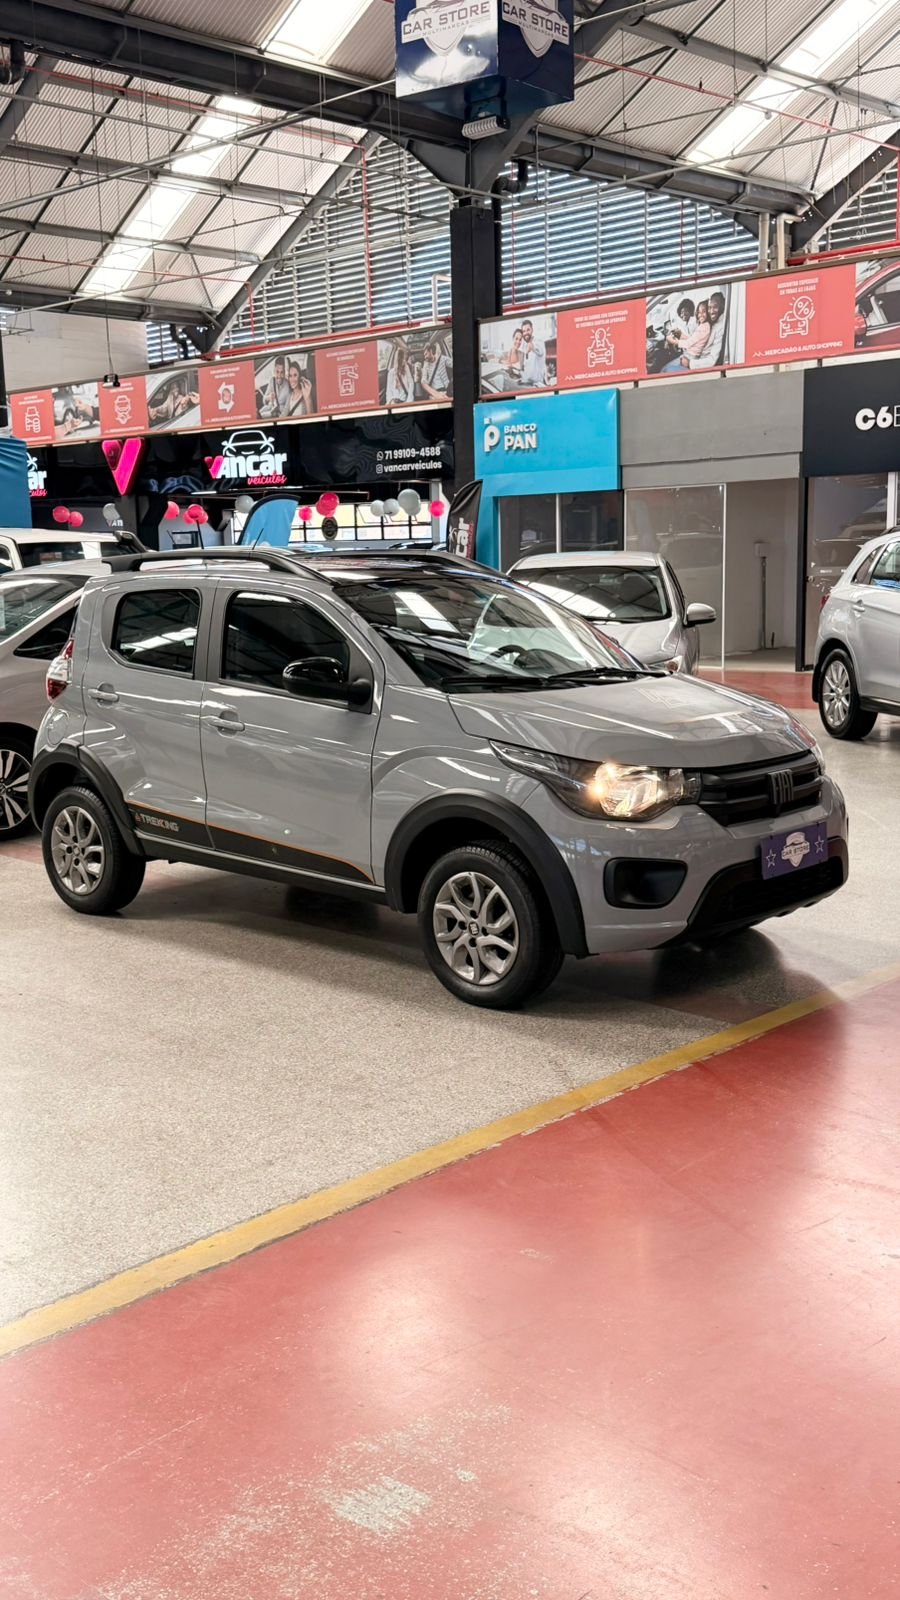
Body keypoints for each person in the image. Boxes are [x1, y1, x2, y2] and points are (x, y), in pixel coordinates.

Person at [661, 300, 711, 371]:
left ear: (691, 311)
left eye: (685, 311)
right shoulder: (689, 323)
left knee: (664, 369)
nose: (683, 314)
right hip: (687, 356)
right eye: (681, 312)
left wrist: (674, 341)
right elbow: (692, 339)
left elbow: (691, 342)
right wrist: (680, 335)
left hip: (691, 359)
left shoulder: (694, 322)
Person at [690, 291, 727, 369]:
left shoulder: (720, 327)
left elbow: (712, 361)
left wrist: (691, 363)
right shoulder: (712, 323)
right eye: (709, 308)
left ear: (723, 306)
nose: (711, 311)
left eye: (715, 307)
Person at [520, 319, 547, 386]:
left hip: (538, 385)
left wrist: (533, 347)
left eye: (528, 330)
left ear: (532, 330)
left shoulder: (539, 341)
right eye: (524, 331)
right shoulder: (524, 345)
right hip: (527, 384)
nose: (526, 333)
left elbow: (540, 351)